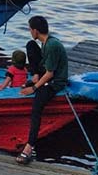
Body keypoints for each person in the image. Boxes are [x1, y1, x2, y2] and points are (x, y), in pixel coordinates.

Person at [16, 16, 68, 164]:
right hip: (45, 72)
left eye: (30, 29)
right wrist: (36, 74)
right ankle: (36, 76)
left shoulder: (52, 45)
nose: (30, 32)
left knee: (36, 108)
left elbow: (50, 74)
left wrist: (34, 88)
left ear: (35, 31)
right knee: (30, 45)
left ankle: (29, 147)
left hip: (54, 81)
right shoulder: (45, 43)